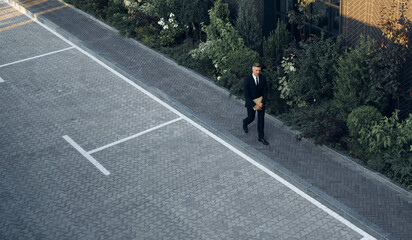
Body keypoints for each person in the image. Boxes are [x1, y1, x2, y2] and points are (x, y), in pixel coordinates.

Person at [242, 63, 269, 145]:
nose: (258, 72)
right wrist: (254, 105)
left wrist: (262, 103)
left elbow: (265, 91)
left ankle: (261, 137)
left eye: (259, 70)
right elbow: (246, 95)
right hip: (252, 103)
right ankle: (245, 123)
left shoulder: (263, 78)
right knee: (251, 117)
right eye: (256, 70)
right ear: (252, 69)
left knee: (261, 120)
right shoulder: (247, 80)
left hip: (260, 103)